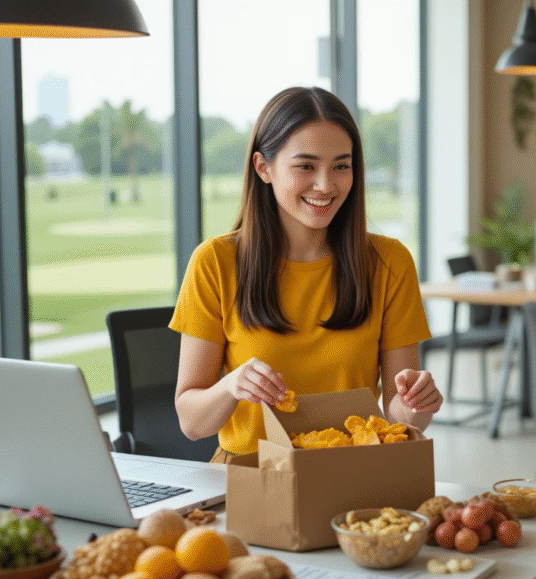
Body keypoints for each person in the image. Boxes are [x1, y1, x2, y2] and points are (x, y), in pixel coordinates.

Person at [170, 86, 442, 461]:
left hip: (353, 472)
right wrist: (231, 386)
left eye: (341, 166)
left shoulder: (389, 262)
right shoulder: (215, 262)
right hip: (250, 477)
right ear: (263, 168)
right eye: (306, 166)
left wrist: (416, 405)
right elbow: (192, 423)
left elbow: (400, 419)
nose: (326, 185)